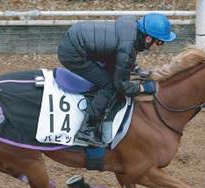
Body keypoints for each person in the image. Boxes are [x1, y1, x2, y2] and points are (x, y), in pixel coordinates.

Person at [57, 13, 176, 146]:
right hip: (72, 53)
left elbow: (119, 53)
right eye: (160, 42)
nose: (160, 46)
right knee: (109, 85)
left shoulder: (132, 28)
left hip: (79, 38)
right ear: (148, 39)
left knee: (110, 74)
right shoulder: (129, 46)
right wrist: (143, 88)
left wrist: (133, 68)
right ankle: (86, 130)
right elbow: (121, 85)